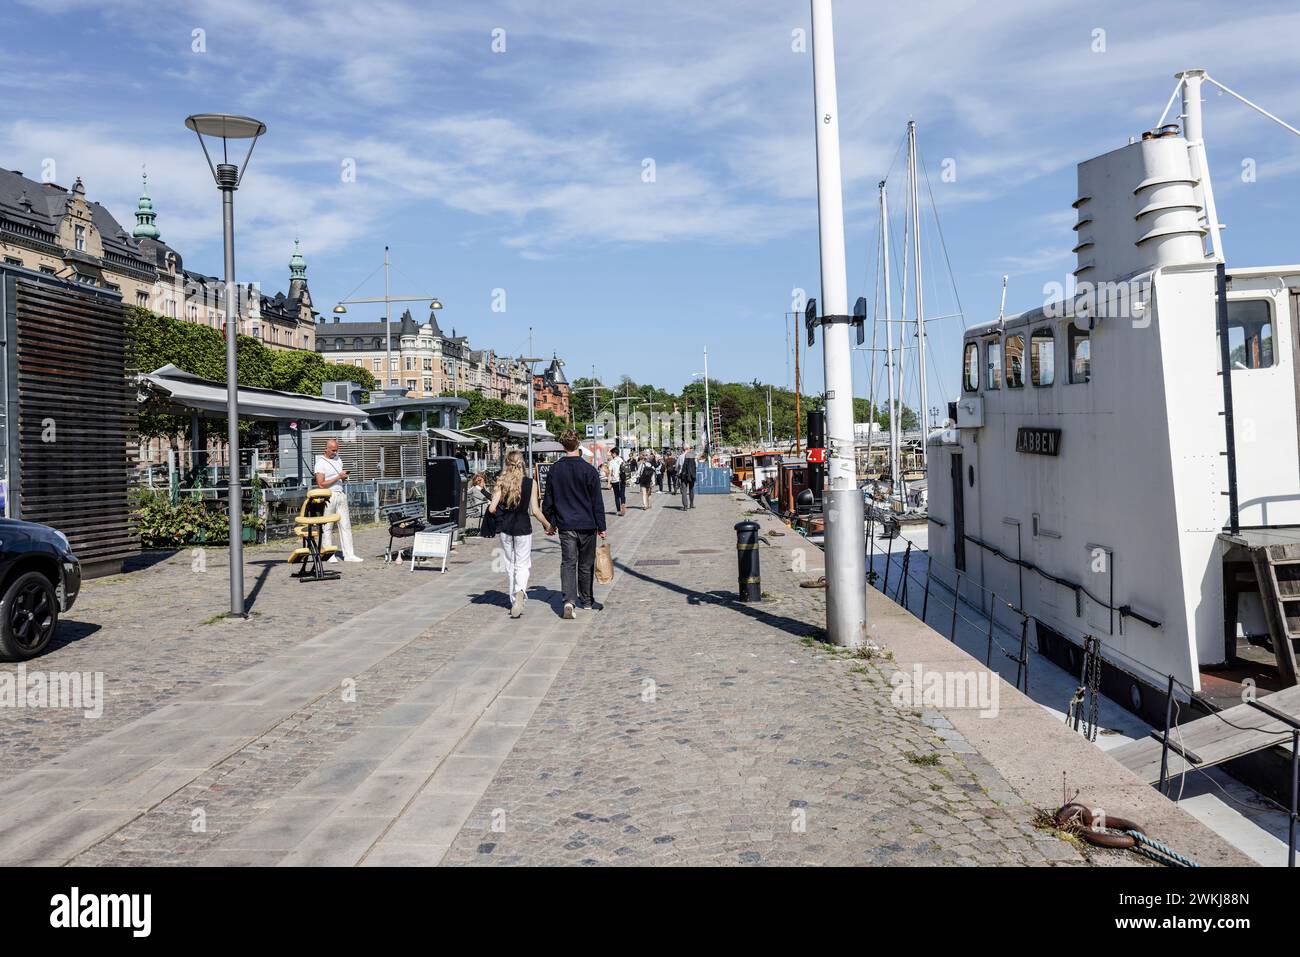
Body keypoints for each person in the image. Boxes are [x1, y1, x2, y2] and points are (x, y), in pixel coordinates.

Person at [542, 430, 607, 619]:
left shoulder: (555, 469)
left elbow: (548, 500)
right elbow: (597, 502)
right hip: (587, 524)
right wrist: (601, 527)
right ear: (578, 444)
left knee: (568, 563)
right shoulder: (589, 470)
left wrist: (551, 523)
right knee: (586, 564)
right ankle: (586, 600)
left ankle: (569, 600)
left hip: (566, 524)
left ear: (563, 446)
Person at [487, 451, 553, 618]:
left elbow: (491, 508)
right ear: (522, 464)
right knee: (523, 564)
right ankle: (520, 592)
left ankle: (513, 599)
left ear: (507, 464)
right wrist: (548, 525)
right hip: (523, 527)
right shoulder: (531, 483)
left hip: (506, 528)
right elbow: (536, 511)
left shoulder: (501, 482)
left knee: (510, 564)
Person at [315, 438, 362, 561]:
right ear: (327, 448)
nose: (335, 452)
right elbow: (321, 484)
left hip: (340, 493)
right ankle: (328, 553)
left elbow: (339, 478)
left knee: (345, 524)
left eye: (337, 450)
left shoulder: (338, 460)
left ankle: (349, 554)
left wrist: (343, 477)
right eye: (333, 450)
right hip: (329, 495)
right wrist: (337, 477)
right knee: (328, 525)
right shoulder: (320, 463)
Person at [607, 447, 627, 517]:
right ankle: (623, 504)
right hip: (622, 479)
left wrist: (609, 483)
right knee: (622, 494)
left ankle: (618, 510)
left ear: (614, 454)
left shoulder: (611, 462)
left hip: (615, 480)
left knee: (616, 496)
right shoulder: (622, 460)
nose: (611, 455)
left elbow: (609, 473)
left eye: (611, 453)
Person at [679, 444, 698, 510]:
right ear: (689, 449)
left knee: (684, 490)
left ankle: (685, 506)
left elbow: (677, 466)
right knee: (691, 489)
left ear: (684, 449)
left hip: (683, 475)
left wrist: (678, 471)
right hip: (691, 475)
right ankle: (691, 504)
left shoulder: (681, 456)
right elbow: (696, 465)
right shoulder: (693, 456)